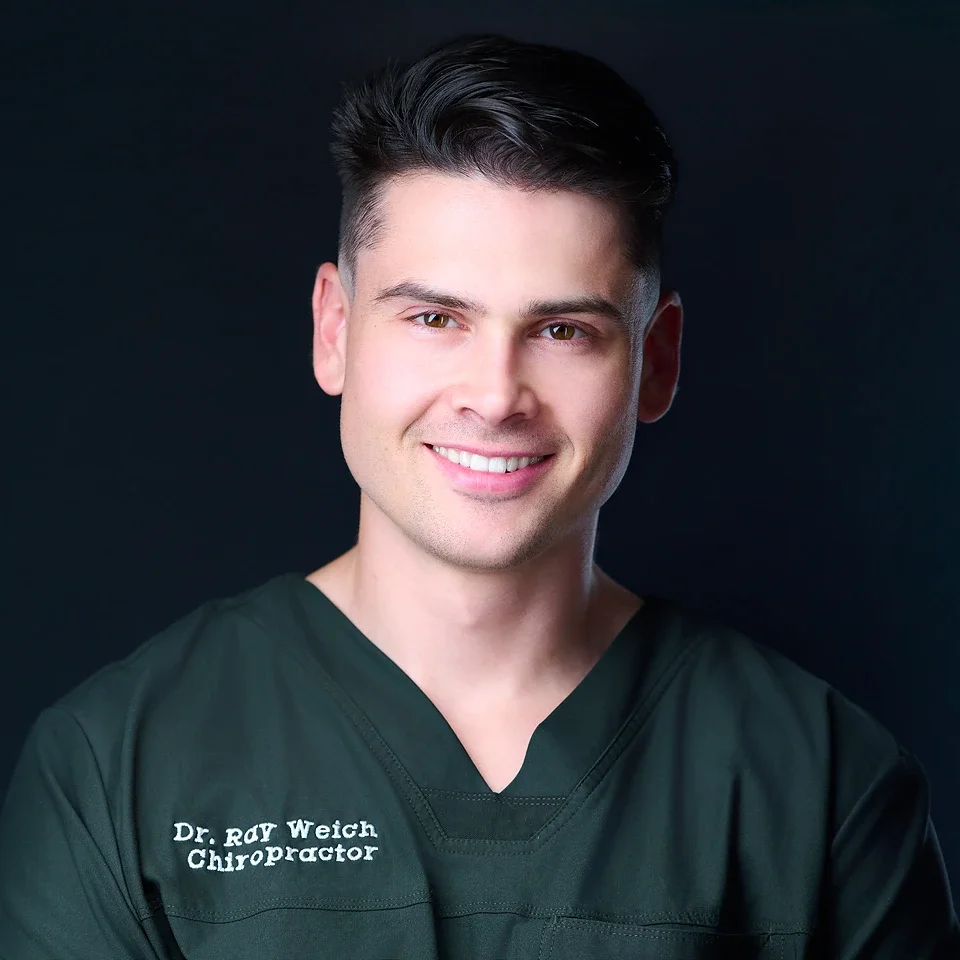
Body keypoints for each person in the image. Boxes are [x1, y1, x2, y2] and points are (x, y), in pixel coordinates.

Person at [1, 30, 957, 960]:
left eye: (563, 331)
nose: (495, 395)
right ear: (334, 331)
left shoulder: (824, 780)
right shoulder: (116, 764)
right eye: (433, 317)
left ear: (656, 362)